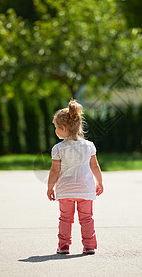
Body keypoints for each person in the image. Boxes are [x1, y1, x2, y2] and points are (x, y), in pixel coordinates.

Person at [47, 99, 103, 255]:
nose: (56, 130)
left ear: (64, 128)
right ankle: (89, 245)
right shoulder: (89, 145)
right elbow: (95, 166)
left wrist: (50, 187)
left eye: (56, 127)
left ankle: (63, 246)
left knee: (65, 219)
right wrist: (100, 182)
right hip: (85, 190)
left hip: (65, 191)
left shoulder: (58, 148)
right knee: (87, 219)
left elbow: (54, 170)